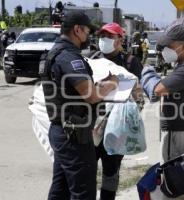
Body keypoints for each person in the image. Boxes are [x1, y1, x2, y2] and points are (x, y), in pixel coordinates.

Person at [40, 10, 119, 200]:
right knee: (83, 192)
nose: (88, 36)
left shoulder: (56, 52)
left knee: (61, 190)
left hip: (64, 131)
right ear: (77, 30)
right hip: (74, 136)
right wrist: (113, 83)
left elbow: (76, 90)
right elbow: (91, 95)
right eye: (87, 31)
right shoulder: (68, 57)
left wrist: (100, 84)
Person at [141, 18, 184, 200]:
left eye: (169, 45)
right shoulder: (183, 65)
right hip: (179, 134)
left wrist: (147, 72)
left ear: (183, 46)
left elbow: (157, 91)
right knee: (180, 185)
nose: (165, 50)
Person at [90, 22, 144, 200]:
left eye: (110, 36)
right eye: (102, 36)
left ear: (120, 39)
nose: (104, 39)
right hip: (93, 124)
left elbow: (138, 95)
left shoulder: (130, 62)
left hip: (118, 127)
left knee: (111, 170)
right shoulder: (92, 59)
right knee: (87, 168)